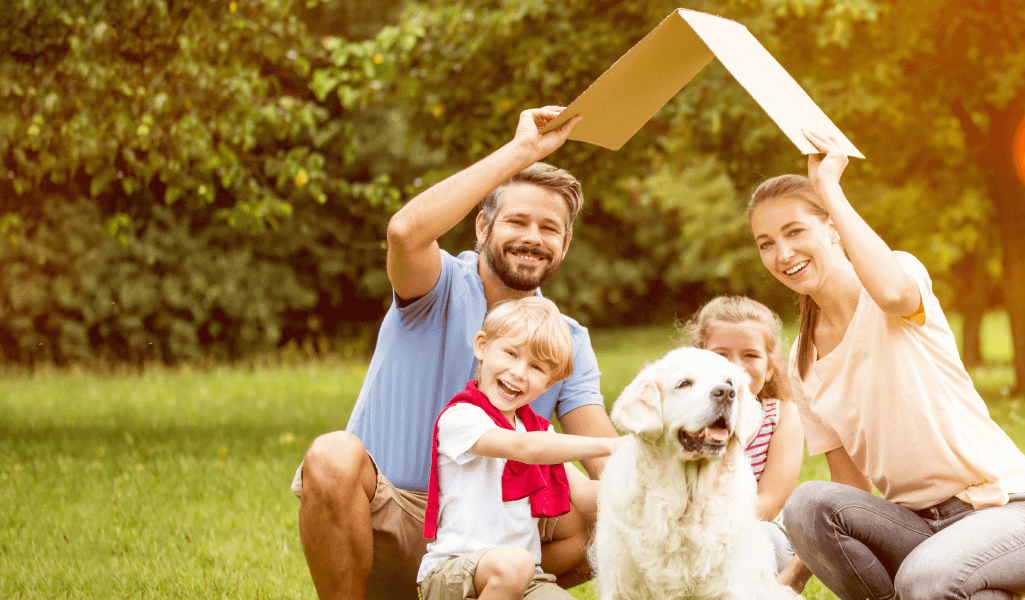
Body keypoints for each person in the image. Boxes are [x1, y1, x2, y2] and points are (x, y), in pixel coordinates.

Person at [294, 106, 617, 600]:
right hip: (393, 517)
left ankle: (499, 590)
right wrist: (522, 151)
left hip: (490, 535)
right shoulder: (437, 285)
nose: (533, 238)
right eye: (518, 221)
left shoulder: (566, 337)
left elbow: (606, 462)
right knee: (332, 454)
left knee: (611, 514)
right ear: (482, 227)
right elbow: (405, 231)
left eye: (549, 229)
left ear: (566, 243)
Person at [751, 130, 1025, 600]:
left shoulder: (897, 278)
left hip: (1010, 512)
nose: (783, 254)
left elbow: (894, 294)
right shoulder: (801, 362)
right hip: (917, 529)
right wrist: (791, 579)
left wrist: (830, 189)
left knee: (925, 580)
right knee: (807, 504)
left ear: (833, 228)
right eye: (766, 243)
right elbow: (849, 490)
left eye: (795, 232)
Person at [419, 296, 618, 600]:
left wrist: (649, 480)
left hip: (526, 580)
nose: (519, 373)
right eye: (510, 353)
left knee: (523, 570)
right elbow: (524, 448)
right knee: (515, 563)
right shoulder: (462, 417)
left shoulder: (538, 432)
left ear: (549, 384)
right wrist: (608, 446)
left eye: (537, 367)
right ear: (482, 347)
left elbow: (586, 495)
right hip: (453, 573)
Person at [681, 296, 809, 587]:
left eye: (750, 355)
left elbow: (771, 501)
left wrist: (710, 533)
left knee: (761, 542)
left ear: (770, 366)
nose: (734, 368)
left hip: (754, 530)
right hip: (684, 530)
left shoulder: (782, 415)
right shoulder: (681, 419)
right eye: (721, 355)